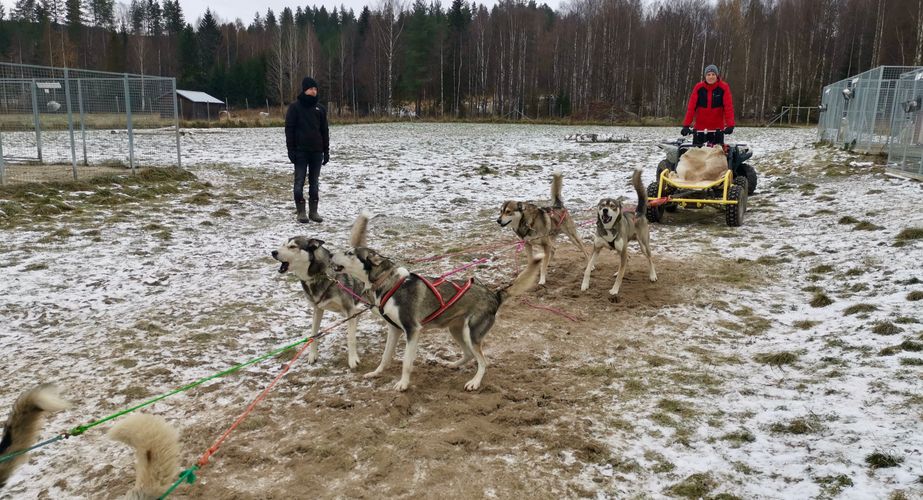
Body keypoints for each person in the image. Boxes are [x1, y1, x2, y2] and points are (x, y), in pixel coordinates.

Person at [285, 76, 330, 223]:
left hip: (317, 152)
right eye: (312, 88)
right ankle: (301, 212)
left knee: (314, 183)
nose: (314, 91)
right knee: (299, 183)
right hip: (300, 152)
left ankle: (314, 212)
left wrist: (326, 151)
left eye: (316, 89)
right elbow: (289, 130)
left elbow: (324, 130)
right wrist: (291, 150)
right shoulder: (294, 107)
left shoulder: (320, 109)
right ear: (305, 89)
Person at [681, 64, 735, 147]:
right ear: (705, 76)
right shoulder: (698, 88)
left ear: (717, 76)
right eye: (708, 75)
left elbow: (728, 108)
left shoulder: (724, 87)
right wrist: (686, 125)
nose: (711, 77)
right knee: (697, 155)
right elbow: (691, 108)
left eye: (713, 74)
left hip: (717, 130)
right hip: (700, 129)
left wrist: (730, 125)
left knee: (716, 156)